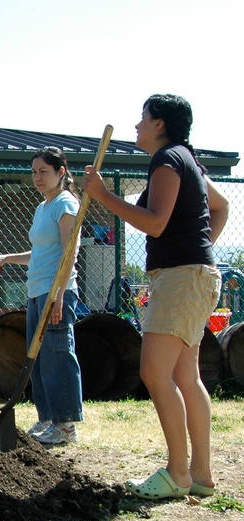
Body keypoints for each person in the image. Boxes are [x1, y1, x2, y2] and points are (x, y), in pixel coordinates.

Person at [83, 94, 229, 500]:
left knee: (154, 373)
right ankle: (201, 474)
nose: (136, 125)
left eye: (143, 117)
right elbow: (222, 207)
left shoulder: (167, 160)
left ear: (160, 124)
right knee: (186, 376)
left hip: (183, 279)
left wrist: (102, 196)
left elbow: (156, 223)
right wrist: (199, 251)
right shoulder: (189, 161)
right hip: (195, 276)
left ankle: (177, 473)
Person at [0, 147, 83, 445]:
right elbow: (40, 253)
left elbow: (70, 252)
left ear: (61, 172)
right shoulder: (43, 207)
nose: (37, 177)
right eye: (34, 172)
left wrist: (57, 294)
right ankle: (48, 418)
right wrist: (8, 257)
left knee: (57, 353)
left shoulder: (65, 204)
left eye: (44, 171)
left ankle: (66, 424)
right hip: (37, 290)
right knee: (39, 359)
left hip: (56, 292)